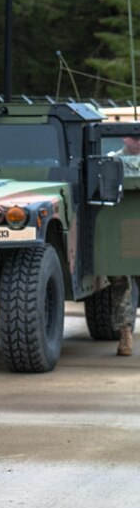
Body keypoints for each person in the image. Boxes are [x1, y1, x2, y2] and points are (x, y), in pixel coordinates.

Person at [108, 135, 140, 356]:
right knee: (122, 281)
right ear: (125, 138)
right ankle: (125, 333)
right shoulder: (112, 162)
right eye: (136, 138)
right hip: (124, 229)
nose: (139, 142)